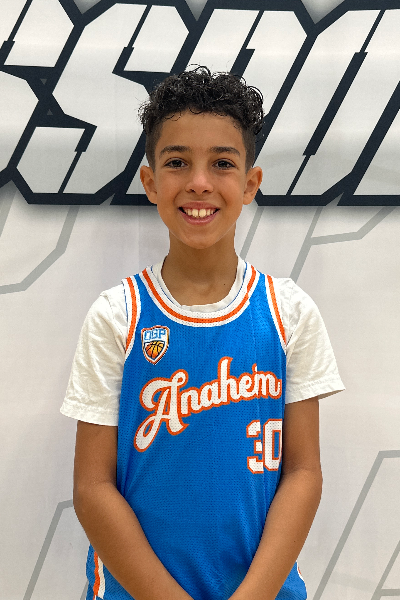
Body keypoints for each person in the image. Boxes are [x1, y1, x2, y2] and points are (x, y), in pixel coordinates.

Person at [61, 67, 344, 600]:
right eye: (176, 162)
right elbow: (92, 487)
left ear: (250, 183)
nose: (198, 182)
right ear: (150, 182)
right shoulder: (117, 316)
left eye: (222, 163)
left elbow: (303, 472)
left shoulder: (289, 312)